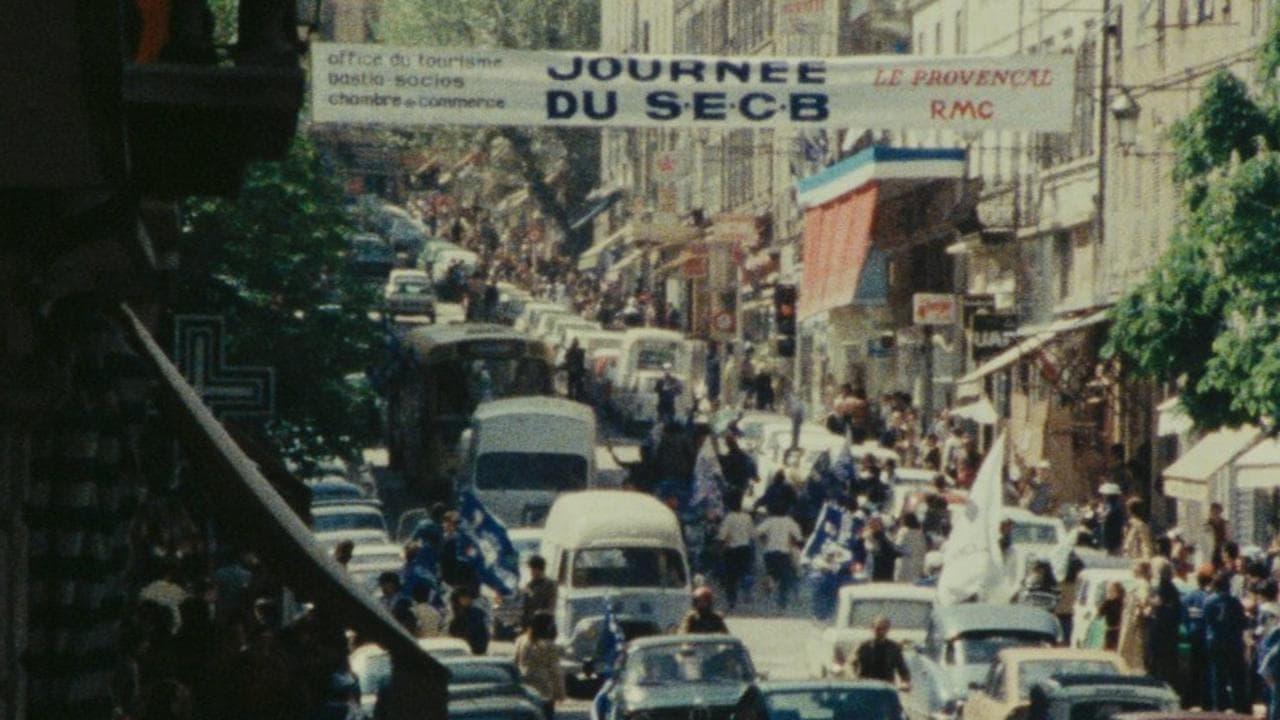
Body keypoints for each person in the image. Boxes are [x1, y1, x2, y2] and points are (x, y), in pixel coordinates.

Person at [1204, 571, 1250, 713]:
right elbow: (1242, 622)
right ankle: (1239, 706)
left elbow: (1207, 620)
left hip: (1215, 641)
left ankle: (1219, 706)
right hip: (1232, 642)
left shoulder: (1209, 601)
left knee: (1218, 675)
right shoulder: (1234, 601)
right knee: (1236, 675)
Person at [515, 612, 566, 720]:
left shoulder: (521, 640)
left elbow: (515, 661)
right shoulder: (549, 645)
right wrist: (560, 692)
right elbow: (554, 670)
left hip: (525, 681)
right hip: (543, 685)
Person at [1181, 565, 1214, 709]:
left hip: (1193, 637)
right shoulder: (1210, 598)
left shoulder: (1188, 598)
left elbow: (1183, 617)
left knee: (1193, 670)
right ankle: (1207, 701)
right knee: (1207, 670)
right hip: (1206, 638)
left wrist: (1190, 627)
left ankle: (1189, 700)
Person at [1145, 558, 1182, 687]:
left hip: (1162, 632)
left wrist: (1149, 602)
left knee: (1158, 662)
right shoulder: (1169, 587)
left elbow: (1160, 603)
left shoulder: (1164, 585)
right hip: (1166, 632)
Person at [758, 508, 803, 610]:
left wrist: (764, 541)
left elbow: (757, 532)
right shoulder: (790, 522)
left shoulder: (769, 521)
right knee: (784, 579)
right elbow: (799, 538)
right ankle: (782, 603)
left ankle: (767, 596)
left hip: (769, 553)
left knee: (771, 575)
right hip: (784, 554)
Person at [850, 617, 911, 688]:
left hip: (885, 687)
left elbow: (902, 669)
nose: (881, 631)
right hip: (865, 686)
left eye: (884, 628)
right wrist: (854, 679)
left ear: (888, 630)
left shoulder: (893, 648)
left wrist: (905, 682)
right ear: (872, 628)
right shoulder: (863, 646)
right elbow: (850, 664)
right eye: (878, 628)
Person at [717, 498, 755, 610]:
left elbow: (722, 535)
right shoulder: (747, 517)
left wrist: (719, 547)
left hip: (732, 551)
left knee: (731, 577)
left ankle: (732, 601)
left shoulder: (728, 518)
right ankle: (747, 592)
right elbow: (752, 534)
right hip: (745, 548)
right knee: (746, 572)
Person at [1117, 560, 1150, 672]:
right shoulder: (1136, 583)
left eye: (1135, 566)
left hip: (1133, 624)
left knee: (1130, 652)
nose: (1132, 569)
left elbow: (1143, 601)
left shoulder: (1142, 584)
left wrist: (1138, 614)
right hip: (1128, 621)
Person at [447, 586, 490, 655]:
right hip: (454, 647)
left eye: (468, 597)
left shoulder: (477, 613)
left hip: (474, 648)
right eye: (463, 598)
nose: (467, 600)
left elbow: (482, 632)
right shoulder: (451, 613)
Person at [519, 555, 557, 630]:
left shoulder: (549, 584)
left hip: (544, 625)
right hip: (530, 626)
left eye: (531, 569)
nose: (530, 572)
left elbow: (550, 606)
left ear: (537, 569)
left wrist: (531, 594)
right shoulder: (530, 585)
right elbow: (525, 608)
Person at [894, 513, 928, 583]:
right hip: (917, 563)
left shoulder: (903, 531)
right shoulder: (920, 533)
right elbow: (923, 549)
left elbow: (898, 545)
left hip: (904, 562)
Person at [1099, 483, 1126, 555]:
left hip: (1113, 534)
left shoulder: (1115, 506)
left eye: (1105, 495)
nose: (1103, 496)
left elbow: (1106, 515)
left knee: (1113, 554)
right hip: (1110, 533)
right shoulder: (1109, 505)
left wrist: (1102, 514)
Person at [1099, 582, 1126, 650]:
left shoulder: (1121, 603)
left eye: (1112, 591)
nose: (1110, 593)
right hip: (1111, 630)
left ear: (1118, 592)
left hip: (1117, 631)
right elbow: (1100, 614)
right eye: (1109, 591)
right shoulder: (1109, 602)